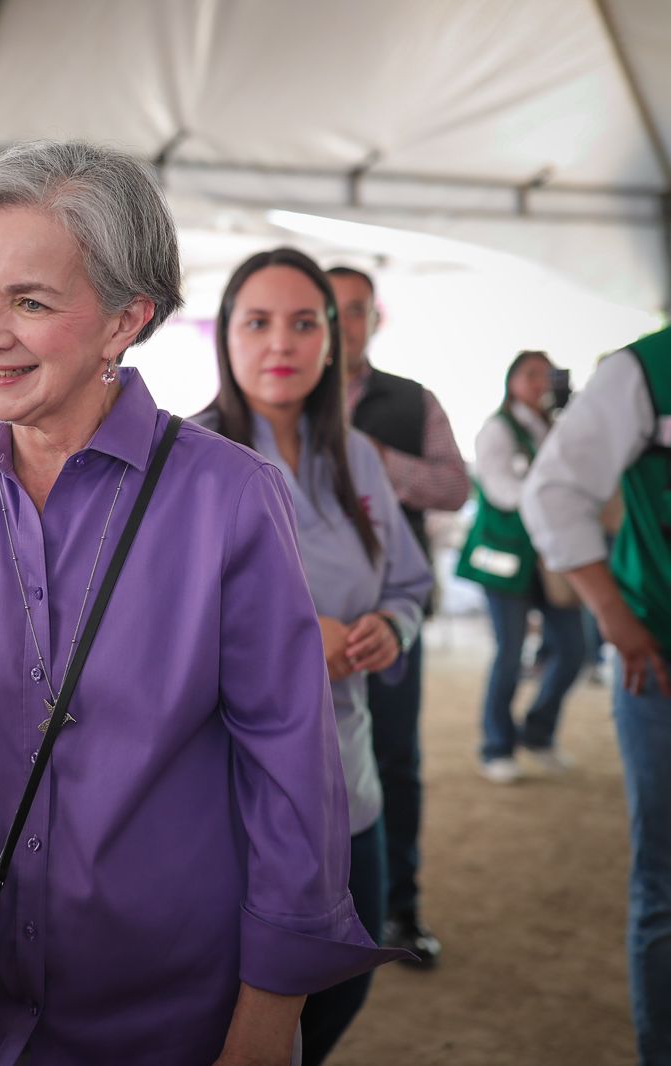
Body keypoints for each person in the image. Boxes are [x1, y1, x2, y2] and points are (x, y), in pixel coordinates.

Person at [0, 142, 400, 1066]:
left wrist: (266, 1020)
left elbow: (290, 773)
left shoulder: (228, 497)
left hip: (173, 1014)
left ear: (127, 319)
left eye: (30, 301)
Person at [196, 248, 432, 1064]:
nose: (281, 343)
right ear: (223, 336)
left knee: (344, 981)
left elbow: (408, 582)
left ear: (335, 341)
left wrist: (391, 630)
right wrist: (301, 639)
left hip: (346, 770)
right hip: (227, 788)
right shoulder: (185, 461)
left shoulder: (358, 456)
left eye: (305, 323)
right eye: (257, 322)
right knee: (237, 1000)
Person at [522, 326, 671, 1065]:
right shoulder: (646, 370)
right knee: (666, 881)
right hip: (662, 664)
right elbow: (548, 491)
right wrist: (615, 615)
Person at [328, 265, 469, 966]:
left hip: (387, 617)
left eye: (356, 310)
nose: (342, 323)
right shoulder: (267, 401)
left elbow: (454, 486)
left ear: (375, 320)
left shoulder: (412, 403)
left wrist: (379, 463)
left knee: (394, 758)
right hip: (294, 628)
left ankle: (398, 909)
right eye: (328, 309)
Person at [458, 350, 585, 783]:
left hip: (551, 558)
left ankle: (538, 732)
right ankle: (496, 745)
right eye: (531, 375)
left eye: (545, 376)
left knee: (573, 648)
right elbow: (501, 490)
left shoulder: (555, 429)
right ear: (512, 380)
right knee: (508, 654)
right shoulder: (496, 429)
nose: (540, 383)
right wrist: (554, 495)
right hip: (505, 558)